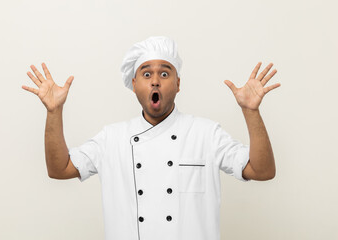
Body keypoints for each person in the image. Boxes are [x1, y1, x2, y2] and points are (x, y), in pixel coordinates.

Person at [22, 36, 280, 240]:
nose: (155, 81)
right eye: (146, 74)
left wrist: (251, 111)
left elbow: (263, 170)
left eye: (165, 74)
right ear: (134, 83)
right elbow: (59, 169)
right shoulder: (111, 138)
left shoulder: (206, 134)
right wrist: (54, 112)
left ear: (178, 83)